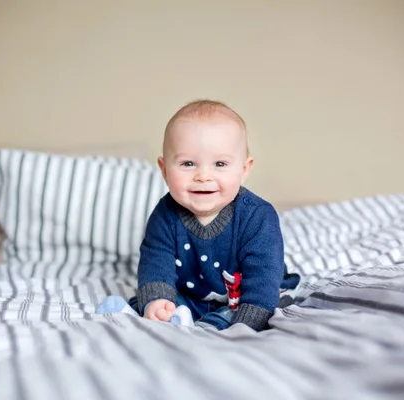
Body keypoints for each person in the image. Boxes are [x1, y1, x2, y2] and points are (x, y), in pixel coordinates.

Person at [97, 99, 299, 331]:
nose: (203, 176)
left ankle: (205, 327)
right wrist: (157, 301)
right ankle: (145, 316)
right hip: (194, 295)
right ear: (164, 170)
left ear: (244, 170)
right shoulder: (165, 215)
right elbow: (156, 262)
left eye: (220, 164)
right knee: (154, 303)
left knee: (242, 315)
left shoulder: (258, 217)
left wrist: (247, 322)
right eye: (188, 163)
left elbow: (263, 276)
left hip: (249, 297)